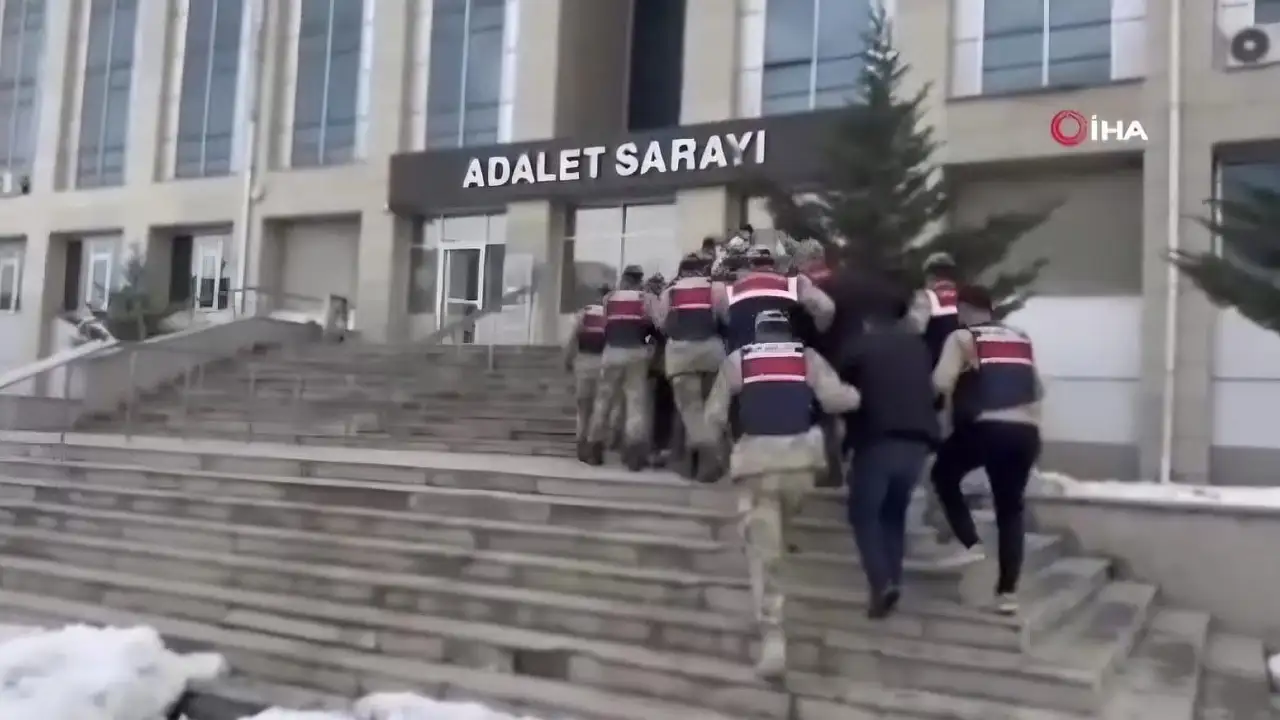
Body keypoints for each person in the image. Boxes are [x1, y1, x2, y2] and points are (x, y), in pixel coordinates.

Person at [702, 310, 862, 679]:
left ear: (757, 333)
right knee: (778, 524)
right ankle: (775, 538)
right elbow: (836, 400)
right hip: (800, 465)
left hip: (757, 465)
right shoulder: (807, 357)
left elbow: (714, 416)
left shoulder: (740, 360)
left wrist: (720, 447)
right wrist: (858, 395)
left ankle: (773, 639)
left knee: (765, 556)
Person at [930, 284, 1043, 615]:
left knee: (943, 474)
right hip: (1026, 432)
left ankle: (970, 542)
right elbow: (1037, 388)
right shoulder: (1021, 338)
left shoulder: (962, 338)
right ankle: (1007, 593)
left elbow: (941, 381)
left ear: (964, 309)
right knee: (1010, 510)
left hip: (986, 427)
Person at [839, 289, 940, 618]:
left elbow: (840, 391)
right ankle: (892, 582)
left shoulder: (860, 346)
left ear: (869, 319)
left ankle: (881, 583)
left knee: (864, 514)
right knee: (893, 515)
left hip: (878, 442)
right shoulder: (918, 347)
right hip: (918, 445)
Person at [655, 254, 726, 481]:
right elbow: (725, 317)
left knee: (691, 410)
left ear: (681, 270)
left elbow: (661, 323)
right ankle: (706, 458)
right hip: (712, 353)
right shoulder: (716, 288)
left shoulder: (670, 293)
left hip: (681, 356)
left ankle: (706, 457)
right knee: (712, 408)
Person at [584, 265, 656, 470]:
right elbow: (652, 325)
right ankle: (634, 455)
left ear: (624, 279)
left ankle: (594, 448)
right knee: (635, 403)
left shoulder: (610, 298)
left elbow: (606, 325)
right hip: (636, 352)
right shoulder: (645, 298)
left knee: (603, 401)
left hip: (612, 352)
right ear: (640, 280)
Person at [716, 247, 835, 354]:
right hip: (789, 355)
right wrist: (813, 338)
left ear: (749, 265)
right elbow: (826, 309)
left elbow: (724, 321)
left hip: (746, 357)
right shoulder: (794, 283)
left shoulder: (731, 287)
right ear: (774, 264)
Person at [563, 284, 610, 462]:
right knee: (600, 408)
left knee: (583, 409)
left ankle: (581, 445)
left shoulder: (584, 313)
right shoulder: (611, 314)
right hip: (604, 362)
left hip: (584, 362)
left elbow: (573, 337)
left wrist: (568, 359)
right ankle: (595, 447)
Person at [909, 252, 962, 368]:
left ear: (930, 276)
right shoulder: (964, 296)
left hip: (937, 361)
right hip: (963, 360)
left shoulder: (925, 296)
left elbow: (915, 329)